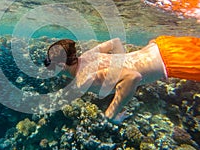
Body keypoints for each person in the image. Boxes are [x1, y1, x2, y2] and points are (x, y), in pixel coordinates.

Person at [43, 36, 200, 123]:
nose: (48, 68)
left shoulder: (83, 79)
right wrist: (123, 61)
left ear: (62, 65)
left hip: (175, 62)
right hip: (160, 46)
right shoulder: (87, 56)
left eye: (49, 64)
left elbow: (132, 76)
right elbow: (115, 42)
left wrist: (111, 114)